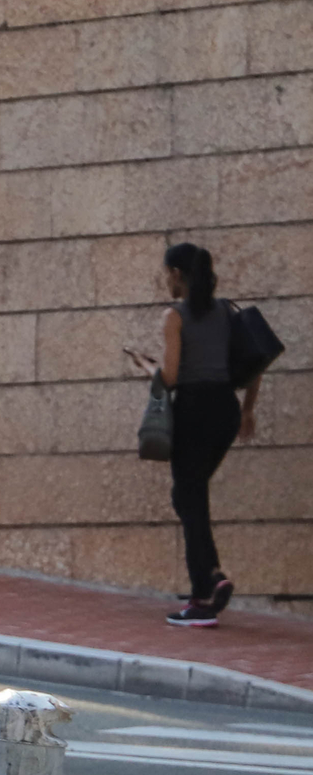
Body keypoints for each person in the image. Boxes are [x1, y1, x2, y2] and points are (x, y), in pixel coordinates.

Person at [125, 242, 262, 627]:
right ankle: (213, 578)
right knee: (188, 495)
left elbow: (169, 378)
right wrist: (248, 409)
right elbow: (256, 362)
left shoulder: (175, 316)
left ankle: (203, 598)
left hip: (194, 411)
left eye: (166, 272)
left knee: (191, 497)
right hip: (225, 412)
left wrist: (145, 368)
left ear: (178, 275)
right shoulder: (226, 311)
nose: (164, 279)